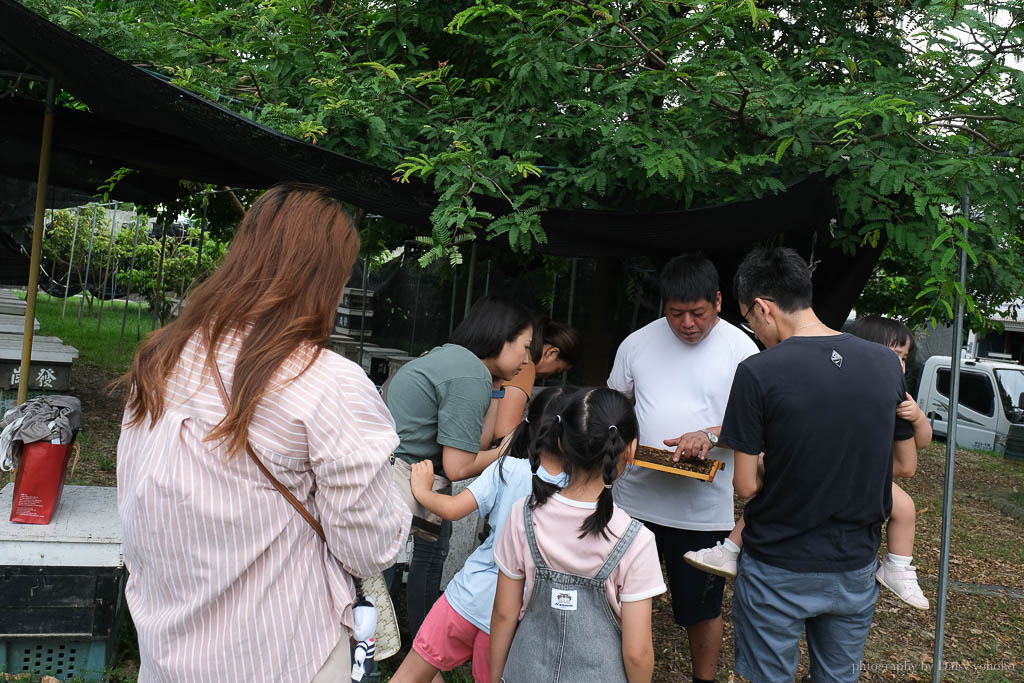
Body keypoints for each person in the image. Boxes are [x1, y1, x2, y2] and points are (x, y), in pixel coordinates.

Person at [116, 184, 411, 682]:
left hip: (167, 649)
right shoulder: (325, 383)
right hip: (278, 654)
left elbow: (137, 497)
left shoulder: (162, 357)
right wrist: (400, 491)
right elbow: (368, 548)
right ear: (323, 278)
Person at [719, 247, 917, 683]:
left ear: (762, 307)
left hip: (777, 565)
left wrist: (781, 465)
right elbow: (904, 463)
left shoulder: (757, 372)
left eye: (748, 319)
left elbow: (747, 486)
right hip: (854, 566)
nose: (752, 330)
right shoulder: (886, 363)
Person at [684, 316, 933, 611]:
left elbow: (917, 450)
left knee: (904, 508)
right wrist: (711, 436)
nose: (900, 366)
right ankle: (730, 548)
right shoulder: (841, 386)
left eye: (904, 359)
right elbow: (755, 433)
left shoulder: (896, 396)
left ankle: (898, 566)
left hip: (861, 481)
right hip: (824, 499)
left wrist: (917, 417)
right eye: (894, 356)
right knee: (772, 490)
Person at [607, 253, 757, 683]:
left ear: (719, 301)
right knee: (619, 597)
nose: (687, 323)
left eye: (698, 313)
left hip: (703, 510)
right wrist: (620, 437)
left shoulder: (742, 349)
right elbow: (614, 405)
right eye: (676, 314)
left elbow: (759, 422)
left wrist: (709, 435)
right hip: (634, 500)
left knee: (701, 607)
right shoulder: (637, 343)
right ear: (664, 307)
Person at [389, 387, 573, 683]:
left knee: (409, 677)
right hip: (516, 613)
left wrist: (422, 490)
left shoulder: (507, 468)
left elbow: (451, 509)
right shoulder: (579, 488)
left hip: (466, 595)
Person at [490, 387, 665, 683]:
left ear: (560, 441)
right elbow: (637, 653)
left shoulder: (523, 514)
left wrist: (496, 678)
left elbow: (504, 614)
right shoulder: (636, 539)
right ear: (631, 450)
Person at [385, 296, 534, 639]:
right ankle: (403, 650)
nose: (527, 360)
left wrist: (497, 390)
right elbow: (460, 465)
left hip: (406, 470)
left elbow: (476, 444)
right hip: (403, 476)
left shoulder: (461, 361)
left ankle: (412, 646)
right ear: (500, 338)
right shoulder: (468, 374)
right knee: (396, 564)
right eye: (524, 347)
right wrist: (506, 452)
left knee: (423, 553)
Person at [494, 317, 581, 439]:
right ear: (552, 353)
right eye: (558, 371)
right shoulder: (525, 366)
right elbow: (504, 432)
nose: (550, 376)